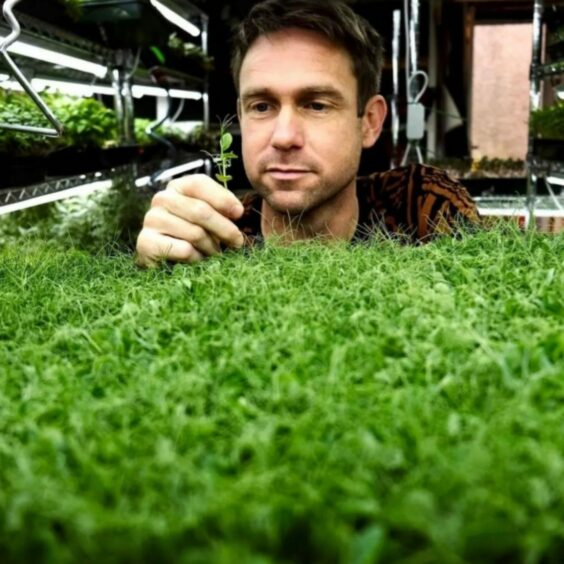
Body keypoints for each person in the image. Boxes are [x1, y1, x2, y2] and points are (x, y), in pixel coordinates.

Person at [136, 0, 479, 267]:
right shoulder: (216, 237)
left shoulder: (420, 206)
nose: (284, 137)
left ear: (370, 122)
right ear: (240, 114)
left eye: (316, 105)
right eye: (262, 106)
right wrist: (156, 268)